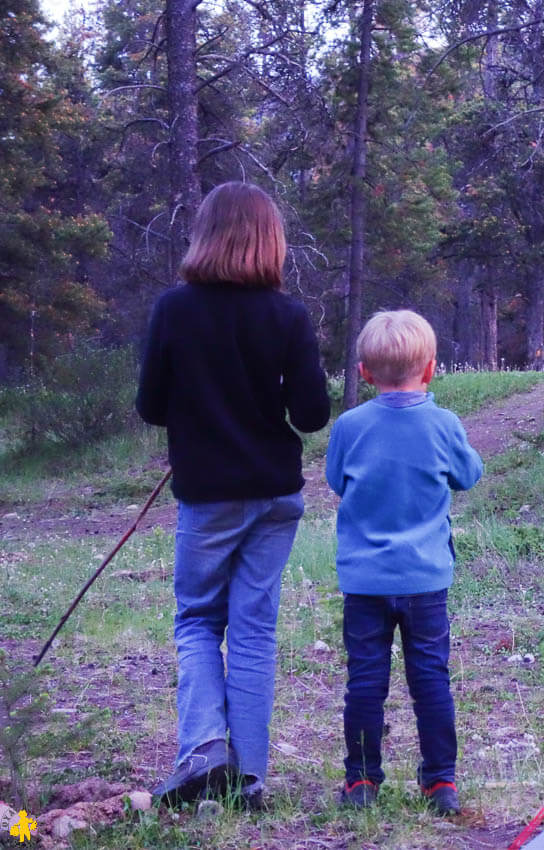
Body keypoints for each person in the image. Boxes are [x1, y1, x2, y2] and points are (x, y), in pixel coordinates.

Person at [135, 181, 330, 810]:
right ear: (269, 240)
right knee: (253, 631)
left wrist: (202, 405)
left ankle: (203, 754)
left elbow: (150, 407)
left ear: (205, 234)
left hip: (209, 494)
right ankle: (249, 777)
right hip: (275, 494)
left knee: (196, 619)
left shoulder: (174, 308)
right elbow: (311, 414)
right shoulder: (289, 315)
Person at [325, 310, 483, 814]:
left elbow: (335, 480)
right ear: (431, 368)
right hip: (425, 580)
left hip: (365, 581)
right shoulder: (443, 425)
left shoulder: (350, 426)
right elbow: (469, 475)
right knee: (430, 679)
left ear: (365, 373)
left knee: (366, 682)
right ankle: (440, 781)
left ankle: (362, 781)